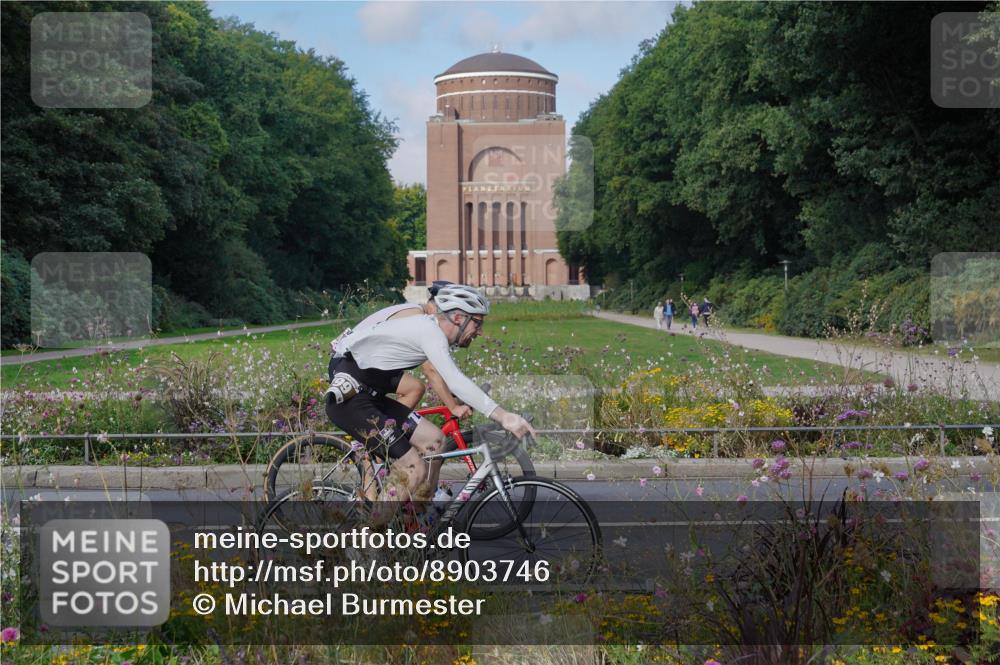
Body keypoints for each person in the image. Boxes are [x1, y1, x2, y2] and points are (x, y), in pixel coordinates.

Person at [326, 284, 535, 510]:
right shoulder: (430, 331)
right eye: (477, 322)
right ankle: (372, 540)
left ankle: (414, 521)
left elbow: (451, 377)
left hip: (369, 394)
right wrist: (504, 417)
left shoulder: (430, 330)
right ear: (457, 317)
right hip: (352, 399)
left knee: (435, 441)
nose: (480, 331)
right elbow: (453, 379)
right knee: (413, 467)